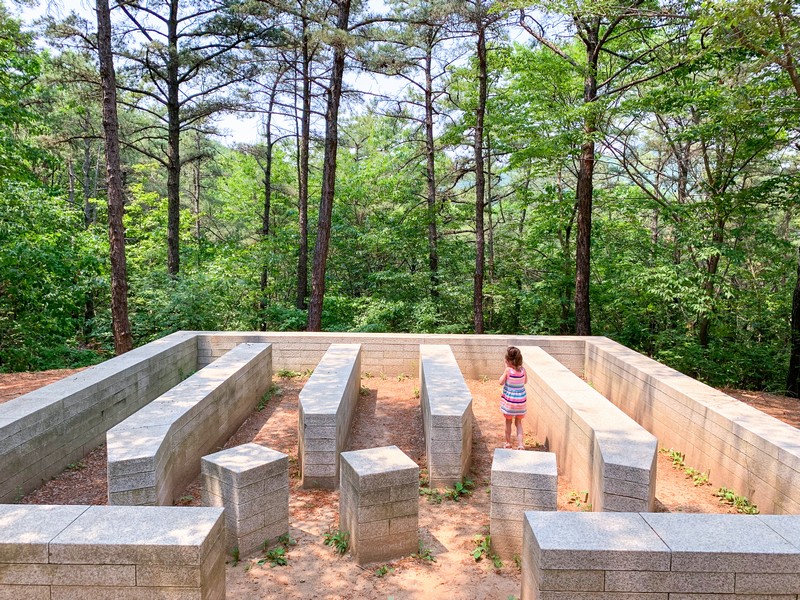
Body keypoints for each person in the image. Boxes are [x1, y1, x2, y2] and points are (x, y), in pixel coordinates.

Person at [499, 346, 527, 449]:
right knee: (519, 422)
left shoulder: (508, 371)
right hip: (521, 402)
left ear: (508, 360)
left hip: (510, 402)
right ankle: (520, 445)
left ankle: (508, 443)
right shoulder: (523, 370)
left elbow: (500, 382)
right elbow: (525, 381)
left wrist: (506, 368)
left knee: (508, 422)